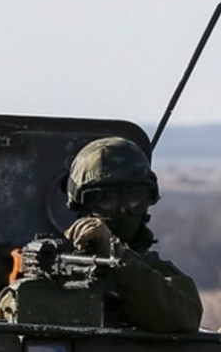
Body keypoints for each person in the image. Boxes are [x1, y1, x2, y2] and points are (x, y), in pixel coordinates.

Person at [61, 136, 203, 333]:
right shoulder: (56, 263)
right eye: (106, 199)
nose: (122, 210)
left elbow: (184, 317)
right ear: (83, 205)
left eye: (133, 198)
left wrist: (117, 255)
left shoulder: (149, 273)